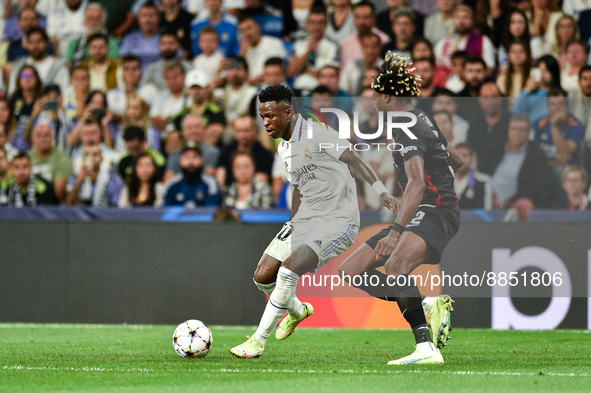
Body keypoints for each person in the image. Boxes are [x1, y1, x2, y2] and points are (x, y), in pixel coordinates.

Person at [229, 84, 398, 359]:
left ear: (288, 112)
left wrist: (381, 191)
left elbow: (354, 156)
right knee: (262, 277)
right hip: (306, 217)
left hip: (338, 218)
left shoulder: (317, 133)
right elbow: (298, 186)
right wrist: (294, 222)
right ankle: (297, 310)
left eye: (270, 116)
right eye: (262, 117)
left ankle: (257, 342)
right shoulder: (284, 148)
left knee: (287, 271)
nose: (265, 122)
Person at [338, 53, 464, 365]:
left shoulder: (406, 127)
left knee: (395, 267)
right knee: (349, 270)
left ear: (389, 97)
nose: (372, 98)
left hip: (436, 210)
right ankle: (428, 305)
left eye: (376, 93)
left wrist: (396, 232)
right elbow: (457, 160)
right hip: (425, 209)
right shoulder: (421, 118)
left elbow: (419, 183)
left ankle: (425, 347)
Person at [481, 114, 549, 220]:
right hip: (487, 197)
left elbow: (535, 186)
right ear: (508, 130)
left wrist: (507, 202)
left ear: (529, 132)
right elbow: (482, 172)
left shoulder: (536, 155)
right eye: (514, 129)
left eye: (521, 130)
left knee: (525, 204)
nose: (517, 133)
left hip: (514, 203)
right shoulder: (495, 149)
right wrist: (490, 195)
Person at [287, 6, 339, 94]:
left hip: (322, 91)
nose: (316, 27)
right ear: (307, 24)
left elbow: (328, 76)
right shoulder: (299, 44)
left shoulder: (333, 46)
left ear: (326, 24)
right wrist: (308, 51)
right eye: (313, 23)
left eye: (320, 23)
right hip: (299, 88)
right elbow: (291, 72)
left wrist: (303, 69)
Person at [8, 27, 70, 97]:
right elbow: (12, 91)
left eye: (39, 42)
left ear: (46, 43)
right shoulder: (19, 65)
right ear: (27, 44)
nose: (35, 46)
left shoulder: (58, 66)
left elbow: (64, 92)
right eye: (31, 42)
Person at [215, 115, 273, 188]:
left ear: (254, 130)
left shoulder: (264, 154)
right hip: (229, 194)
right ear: (234, 131)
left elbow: (262, 180)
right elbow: (220, 179)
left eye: (246, 130)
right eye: (239, 131)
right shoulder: (226, 151)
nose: (243, 135)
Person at [163, 114, 220, 183]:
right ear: (183, 132)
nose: (194, 131)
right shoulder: (175, 155)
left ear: (204, 130)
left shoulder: (213, 153)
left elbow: (211, 178)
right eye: (189, 128)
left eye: (197, 127)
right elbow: (167, 181)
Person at [467, 82, 512, 170]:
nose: (490, 102)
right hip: (480, 173)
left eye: (494, 97)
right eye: (486, 98)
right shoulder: (475, 124)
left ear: (501, 99)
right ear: (479, 100)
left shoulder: (512, 122)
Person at [28, 123, 73, 202]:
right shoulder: (28, 156)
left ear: (52, 137)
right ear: (33, 138)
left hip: (52, 204)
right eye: (39, 135)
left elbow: (60, 194)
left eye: (46, 135)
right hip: (30, 200)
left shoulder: (61, 157)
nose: (43, 139)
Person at [66, 3, 119, 68]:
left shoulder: (111, 42)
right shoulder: (75, 43)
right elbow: (68, 65)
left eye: (97, 19)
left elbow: (112, 66)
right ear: (84, 21)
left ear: (104, 21)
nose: (93, 23)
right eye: (90, 19)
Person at [339, 1, 390, 70]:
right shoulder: (346, 43)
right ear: (353, 19)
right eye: (358, 17)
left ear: (374, 18)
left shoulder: (385, 41)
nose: (362, 22)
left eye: (366, 17)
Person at [238, 16, 286, 86]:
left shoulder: (274, 43)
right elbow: (238, 75)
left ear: (258, 27)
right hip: (250, 88)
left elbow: (276, 72)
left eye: (249, 28)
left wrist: (250, 82)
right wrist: (243, 55)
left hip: (269, 86)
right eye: (242, 31)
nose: (247, 33)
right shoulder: (243, 50)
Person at [120, 3, 163, 71]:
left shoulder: (166, 36)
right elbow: (122, 61)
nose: (147, 20)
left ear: (159, 18)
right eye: (144, 16)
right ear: (138, 19)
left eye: (151, 16)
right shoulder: (130, 38)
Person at [453, 142, 492, 210]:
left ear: (472, 159)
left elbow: (487, 212)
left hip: (474, 220)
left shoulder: (483, 181)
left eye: (465, 155)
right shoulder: (442, 181)